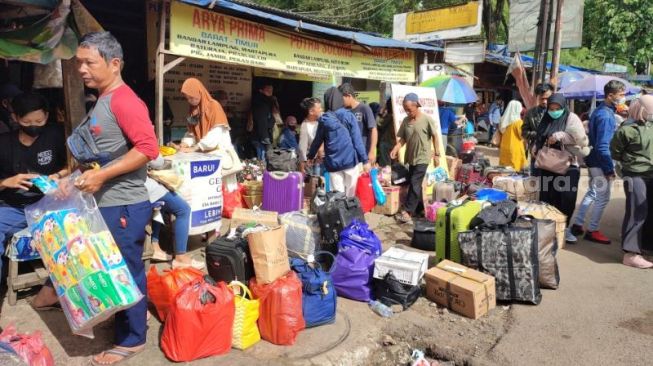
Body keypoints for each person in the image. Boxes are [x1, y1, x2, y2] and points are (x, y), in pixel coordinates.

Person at [32, 31, 159, 365]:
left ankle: (133, 339)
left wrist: (101, 176)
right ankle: (132, 318)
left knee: (126, 270)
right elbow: (99, 155)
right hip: (103, 202)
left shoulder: (123, 100)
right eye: (79, 63)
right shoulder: (103, 99)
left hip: (123, 203)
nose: (82, 70)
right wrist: (67, 176)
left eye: (89, 62)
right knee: (112, 267)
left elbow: (148, 148)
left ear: (114, 64)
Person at [0, 92, 67, 289]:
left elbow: (75, 165)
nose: (34, 125)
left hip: (49, 203)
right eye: (27, 121)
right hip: (12, 207)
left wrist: (59, 176)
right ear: (15, 118)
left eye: (39, 120)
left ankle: (54, 292)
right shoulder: (3, 143)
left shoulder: (56, 135)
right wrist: (6, 182)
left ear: (47, 116)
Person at [571, 80, 626, 245]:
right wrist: (609, 169)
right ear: (610, 96)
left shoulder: (599, 111)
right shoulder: (606, 116)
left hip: (594, 159)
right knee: (603, 197)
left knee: (593, 193)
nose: (624, 98)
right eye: (621, 95)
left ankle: (578, 225)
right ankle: (592, 230)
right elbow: (603, 146)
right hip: (601, 161)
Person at [533, 93, 590, 244]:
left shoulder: (572, 118)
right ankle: (548, 229)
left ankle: (563, 228)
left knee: (566, 199)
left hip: (568, 166)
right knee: (547, 197)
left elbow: (582, 140)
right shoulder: (546, 118)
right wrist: (536, 146)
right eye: (551, 108)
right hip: (548, 164)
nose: (553, 111)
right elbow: (540, 136)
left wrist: (561, 135)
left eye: (557, 108)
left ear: (563, 107)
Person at [610, 95, 653, 268]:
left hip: (650, 174)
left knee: (649, 212)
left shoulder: (650, 127)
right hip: (635, 174)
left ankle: (647, 248)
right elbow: (615, 152)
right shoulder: (627, 129)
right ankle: (630, 253)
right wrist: (628, 163)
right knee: (637, 211)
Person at [307, 87, 369, 196]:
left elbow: (317, 140)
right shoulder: (349, 116)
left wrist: (311, 156)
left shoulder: (324, 120)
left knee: (337, 197)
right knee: (350, 196)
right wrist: (365, 160)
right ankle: (350, 212)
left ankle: (339, 212)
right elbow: (357, 140)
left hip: (333, 164)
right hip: (350, 161)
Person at [390, 93, 441, 224]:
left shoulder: (426, 119)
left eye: (409, 109)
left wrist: (437, 154)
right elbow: (403, 139)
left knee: (414, 182)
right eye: (405, 109)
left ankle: (407, 211)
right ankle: (420, 210)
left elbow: (435, 137)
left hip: (423, 156)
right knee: (414, 183)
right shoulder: (406, 121)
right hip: (411, 157)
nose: (407, 112)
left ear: (416, 105)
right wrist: (396, 148)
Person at [144, 156, 202, 269]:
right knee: (183, 209)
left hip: (130, 187)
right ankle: (181, 257)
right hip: (144, 186)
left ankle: (155, 246)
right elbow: (157, 162)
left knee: (161, 205)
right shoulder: (139, 138)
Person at [176, 78, 230, 153]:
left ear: (199, 92)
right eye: (187, 98)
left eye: (191, 97)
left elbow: (215, 134)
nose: (189, 101)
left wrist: (195, 148)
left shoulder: (214, 106)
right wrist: (184, 144)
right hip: (202, 152)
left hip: (219, 151)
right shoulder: (193, 110)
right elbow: (192, 133)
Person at [339, 83, 378, 164]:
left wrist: (371, 151)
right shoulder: (342, 111)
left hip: (363, 153)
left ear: (348, 96)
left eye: (341, 99)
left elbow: (373, 130)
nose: (340, 102)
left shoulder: (364, 108)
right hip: (347, 154)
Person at [523, 83, 554, 160]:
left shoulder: (558, 112)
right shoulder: (530, 113)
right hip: (536, 152)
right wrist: (537, 134)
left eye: (547, 98)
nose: (544, 101)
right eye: (541, 98)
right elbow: (524, 132)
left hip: (554, 153)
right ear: (537, 97)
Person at [249, 82, 276, 161]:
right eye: (268, 90)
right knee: (263, 159)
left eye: (271, 90)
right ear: (261, 90)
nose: (270, 92)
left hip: (260, 135)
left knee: (262, 158)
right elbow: (262, 121)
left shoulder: (266, 102)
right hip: (261, 136)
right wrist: (265, 137)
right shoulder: (261, 103)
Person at [498, 100, 527, 171]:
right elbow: (522, 136)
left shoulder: (503, 120)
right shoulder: (518, 122)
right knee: (514, 171)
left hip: (504, 147)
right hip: (515, 149)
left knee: (504, 170)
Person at [298, 97, 323, 176]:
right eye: (319, 108)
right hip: (312, 163)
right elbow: (302, 148)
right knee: (315, 185)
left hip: (323, 160)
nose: (321, 110)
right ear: (311, 111)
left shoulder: (322, 121)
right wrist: (302, 167)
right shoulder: (305, 126)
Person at [376, 98, 396, 168]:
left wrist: (381, 112)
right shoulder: (397, 116)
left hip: (386, 144)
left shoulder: (390, 116)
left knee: (385, 167)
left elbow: (378, 123)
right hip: (394, 143)